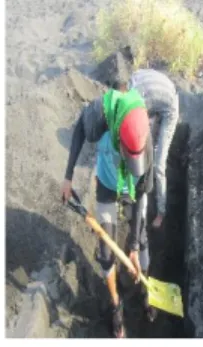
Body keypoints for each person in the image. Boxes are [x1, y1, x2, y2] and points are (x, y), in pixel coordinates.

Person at [60, 87, 156, 338]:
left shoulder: (146, 140)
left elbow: (141, 196)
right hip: (106, 184)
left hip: (132, 189)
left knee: (142, 238)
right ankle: (116, 306)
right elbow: (80, 128)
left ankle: (147, 291)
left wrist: (133, 247)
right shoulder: (101, 114)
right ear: (118, 136)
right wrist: (68, 177)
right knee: (105, 250)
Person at [121, 68, 179, 229]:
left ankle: (161, 212)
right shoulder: (131, 84)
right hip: (157, 97)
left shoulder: (138, 101)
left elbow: (139, 133)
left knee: (158, 166)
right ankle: (139, 190)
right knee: (144, 150)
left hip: (169, 108)